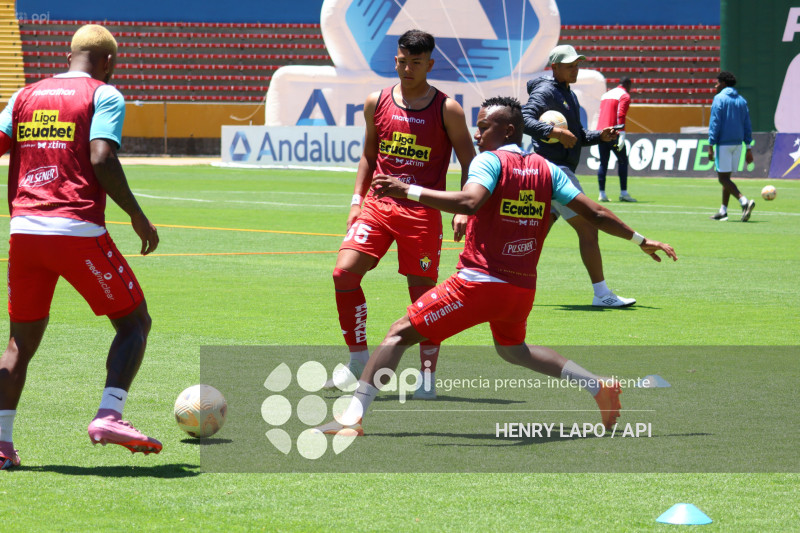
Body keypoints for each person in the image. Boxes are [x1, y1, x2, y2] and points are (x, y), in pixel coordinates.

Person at [314, 96, 677, 437]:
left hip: (478, 282)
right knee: (513, 350)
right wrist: (640, 240)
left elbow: (470, 203)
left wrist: (405, 190)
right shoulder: (549, 170)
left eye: (484, 125)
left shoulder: (489, 161)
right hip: (520, 289)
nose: (477, 133)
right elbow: (595, 213)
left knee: (397, 334)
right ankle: (597, 386)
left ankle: (352, 417)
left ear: (507, 130)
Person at [0, 25, 161, 470]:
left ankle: (1, 443)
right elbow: (101, 157)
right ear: (109, 61)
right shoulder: (104, 94)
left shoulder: (24, 95)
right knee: (134, 322)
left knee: (19, 343)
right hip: (75, 232)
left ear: (69, 54)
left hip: (25, 232)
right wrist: (137, 214)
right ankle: (109, 414)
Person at [328, 30, 475, 399]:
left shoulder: (448, 109)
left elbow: (470, 162)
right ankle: (358, 358)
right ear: (395, 59)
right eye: (402, 61)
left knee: (422, 296)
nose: (407, 68)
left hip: (423, 212)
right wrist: (355, 200)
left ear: (429, 64)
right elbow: (368, 155)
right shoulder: (375, 101)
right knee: (344, 272)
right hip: (377, 207)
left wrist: (463, 210)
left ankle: (427, 375)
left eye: (416, 62)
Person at [521, 45, 635, 308]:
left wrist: (600, 136)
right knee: (588, 228)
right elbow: (524, 119)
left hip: (549, 171)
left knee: (533, 237)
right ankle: (602, 294)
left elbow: (579, 137)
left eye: (577, 64)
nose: (576, 68)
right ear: (555, 67)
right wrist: (556, 133)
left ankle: (504, 285)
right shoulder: (547, 90)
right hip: (556, 171)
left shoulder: (567, 94)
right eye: (570, 65)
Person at [708, 71, 755, 222]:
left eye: (717, 83)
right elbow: (747, 125)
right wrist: (748, 147)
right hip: (738, 144)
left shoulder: (719, 98)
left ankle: (744, 201)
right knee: (727, 177)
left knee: (722, 179)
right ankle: (723, 211)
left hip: (724, 144)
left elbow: (715, 123)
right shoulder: (742, 100)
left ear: (723, 83)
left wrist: (711, 145)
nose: (715, 85)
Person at [597, 77, 636, 202]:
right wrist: (622, 133)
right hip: (614, 133)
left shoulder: (605, 95)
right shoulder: (624, 95)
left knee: (603, 163)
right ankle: (623, 192)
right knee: (623, 160)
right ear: (628, 84)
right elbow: (621, 114)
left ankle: (602, 193)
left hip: (601, 133)